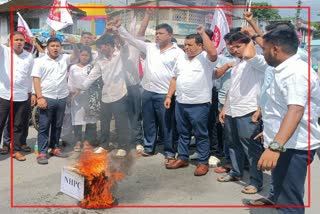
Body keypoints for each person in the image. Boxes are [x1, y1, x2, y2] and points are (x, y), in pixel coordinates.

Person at [251, 27, 320, 213]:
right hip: (285, 142)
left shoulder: (295, 73)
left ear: (275, 49)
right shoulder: (285, 70)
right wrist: (270, 131)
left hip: (292, 147)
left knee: (288, 200)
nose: (262, 53)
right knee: (282, 194)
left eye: (264, 49)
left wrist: (275, 146)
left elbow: (296, 110)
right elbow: (281, 108)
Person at [116, 19, 185, 165]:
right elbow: (131, 39)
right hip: (147, 91)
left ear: (170, 35)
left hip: (164, 94)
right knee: (149, 122)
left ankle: (169, 151)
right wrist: (120, 28)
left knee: (167, 124)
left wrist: (171, 94)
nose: (157, 36)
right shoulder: (150, 47)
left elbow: (179, 74)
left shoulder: (178, 52)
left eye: (161, 33)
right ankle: (149, 147)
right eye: (156, 33)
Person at [217, 32, 268, 194]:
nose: (235, 49)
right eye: (233, 46)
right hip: (233, 110)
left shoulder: (258, 61)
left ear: (248, 45)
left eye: (239, 46)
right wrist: (225, 108)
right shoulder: (237, 63)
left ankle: (255, 181)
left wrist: (251, 38)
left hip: (248, 110)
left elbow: (249, 54)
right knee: (233, 144)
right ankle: (236, 172)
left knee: (251, 149)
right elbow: (232, 89)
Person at [164, 25, 218, 176]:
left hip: (199, 105)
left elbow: (213, 52)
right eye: (184, 45)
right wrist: (169, 96)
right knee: (183, 133)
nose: (186, 48)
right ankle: (183, 157)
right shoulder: (181, 58)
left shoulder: (206, 59)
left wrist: (202, 33)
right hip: (181, 103)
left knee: (201, 134)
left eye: (190, 45)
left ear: (200, 46)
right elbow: (174, 78)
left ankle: (202, 162)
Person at [79, 33, 131, 157]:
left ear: (108, 46)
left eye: (101, 47)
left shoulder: (120, 55)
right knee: (104, 122)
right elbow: (92, 76)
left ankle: (123, 146)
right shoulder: (100, 60)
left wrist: (117, 33)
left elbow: (125, 46)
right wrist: (80, 88)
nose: (100, 50)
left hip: (120, 94)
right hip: (106, 95)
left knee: (120, 122)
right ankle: (104, 145)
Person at [31, 37, 79, 164]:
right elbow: (36, 79)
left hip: (62, 97)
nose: (55, 48)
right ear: (47, 47)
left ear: (61, 47)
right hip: (47, 97)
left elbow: (76, 56)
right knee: (44, 126)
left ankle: (55, 148)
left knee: (58, 125)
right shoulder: (39, 61)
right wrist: (40, 97)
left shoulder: (64, 58)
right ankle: (42, 152)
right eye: (52, 46)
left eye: (57, 46)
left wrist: (74, 44)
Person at [0, 31, 34, 161]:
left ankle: (16, 150)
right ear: (10, 41)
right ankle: (5, 145)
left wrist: (32, 93)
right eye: (16, 40)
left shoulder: (29, 57)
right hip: (4, 94)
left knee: (19, 124)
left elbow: (30, 76)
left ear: (24, 42)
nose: (19, 42)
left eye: (21, 40)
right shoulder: (4, 52)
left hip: (22, 95)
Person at [213, 31, 237, 173]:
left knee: (242, 136)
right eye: (228, 44)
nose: (231, 47)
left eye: (234, 44)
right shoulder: (222, 58)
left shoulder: (250, 59)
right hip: (224, 101)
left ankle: (242, 163)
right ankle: (229, 161)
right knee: (228, 135)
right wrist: (228, 65)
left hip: (244, 103)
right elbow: (215, 74)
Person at [68, 46, 98, 151]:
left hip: (90, 98)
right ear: (79, 56)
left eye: (86, 55)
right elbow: (70, 82)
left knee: (90, 120)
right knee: (77, 120)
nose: (84, 57)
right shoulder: (73, 67)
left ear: (90, 56)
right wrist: (70, 95)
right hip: (76, 98)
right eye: (82, 55)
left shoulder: (92, 67)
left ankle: (87, 141)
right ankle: (78, 141)